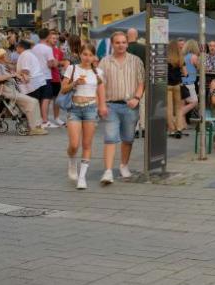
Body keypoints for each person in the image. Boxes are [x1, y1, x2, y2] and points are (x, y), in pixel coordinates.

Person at [98, 31, 145, 185]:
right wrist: (102, 104)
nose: (121, 45)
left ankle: (124, 165)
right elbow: (100, 85)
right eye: (117, 42)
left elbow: (141, 82)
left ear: (127, 43)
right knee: (110, 138)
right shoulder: (104, 62)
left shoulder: (136, 61)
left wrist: (137, 98)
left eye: (124, 42)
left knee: (128, 138)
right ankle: (108, 171)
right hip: (111, 105)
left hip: (130, 105)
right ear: (112, 44)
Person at [61, 43, 106, 189]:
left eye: (90, 55)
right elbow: (63, 89)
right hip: (74, 109)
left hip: (90, 109)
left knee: (87, 144)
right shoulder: (72, 68)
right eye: (85, 54)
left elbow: (100, 90)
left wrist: (101, 106)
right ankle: (72, 160)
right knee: (74, 145)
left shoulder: (98, 72)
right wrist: (75, 83)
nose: (87, 58)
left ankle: (82, 177)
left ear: (94, 57)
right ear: (80, 54)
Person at [0, 48, 46, 135]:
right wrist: (12, 75)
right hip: (3, 90)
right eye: (6, 54)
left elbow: (15, 74)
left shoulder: (3, 66)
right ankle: (34, 127)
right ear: (1, 57)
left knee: (31, 102)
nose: (8, 56)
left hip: (8, 90)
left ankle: (35, 125)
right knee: (32, 102)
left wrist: (21, 77)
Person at [32, 28, 58, 128]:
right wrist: (55, 61)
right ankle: (45, 121)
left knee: (39, 99)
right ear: (47, 36)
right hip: (46, 76)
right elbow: (51, 64)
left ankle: (38, 119)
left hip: (36, 76)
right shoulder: (48, 49)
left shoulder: (34, 48)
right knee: (46, 99)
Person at [166, 40, 186, 139]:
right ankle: (179, 129)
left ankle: (172, 129)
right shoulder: (180, 58)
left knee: (169, 108)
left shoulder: (165, 58)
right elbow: (185, 73)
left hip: (167, 85)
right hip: (178, 84)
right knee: (178, 108)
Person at [181, 39, 200, 122]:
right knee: (194, 101)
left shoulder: (183, 57)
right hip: (190, 83)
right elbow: (200, 69)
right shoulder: (194, 57)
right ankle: (178, 115)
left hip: (182, 82)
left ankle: (181, 121)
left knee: (184, 102)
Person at [49, 31, 65, 127]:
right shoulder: (45, 50)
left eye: (56, 38)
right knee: (46, 100)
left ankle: (57, 118)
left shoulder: (58, 51)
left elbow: (60, 63)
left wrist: (60, 64)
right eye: (53, 38)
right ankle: (44, 119)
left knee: (56, 100)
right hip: (47, 78)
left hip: (55, 78)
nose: (55, 40)